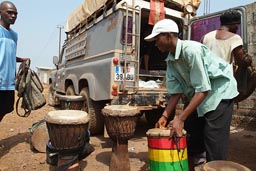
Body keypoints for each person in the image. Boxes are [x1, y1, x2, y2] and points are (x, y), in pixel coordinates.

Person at [144, 19, 238, 169]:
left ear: (168, 36)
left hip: (220, 93)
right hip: (203, 96)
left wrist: (180, 118)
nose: (156, 43)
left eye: (157, 38)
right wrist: (165, 116)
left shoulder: (191, 50)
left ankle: (216, 165)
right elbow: (176, 92)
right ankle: (195, 164)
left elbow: (203, 89)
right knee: (190, 134)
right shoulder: (171, 60)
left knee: (213, 141)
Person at [202, 9, 256, 103]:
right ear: (233, 24)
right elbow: (242, 62)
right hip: (223, 87)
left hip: (206, 84)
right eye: (237, 25)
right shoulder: (235, 38)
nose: (237, 28)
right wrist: (248, 59)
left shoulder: (205, 36)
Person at [0, 1, 28, 121]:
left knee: (4, 109)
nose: (13, 16)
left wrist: (21, 60)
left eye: (15, 14)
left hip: (8, 82)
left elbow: (8, 54)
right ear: (0, 13)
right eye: (10, 12)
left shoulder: (14, 35)